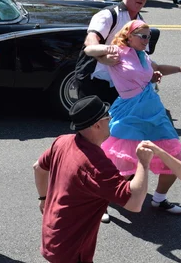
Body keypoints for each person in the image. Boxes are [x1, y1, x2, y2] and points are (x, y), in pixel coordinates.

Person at [85, 20, 181, 215]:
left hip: (154, 111)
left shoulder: (143, 55)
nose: (147, 40)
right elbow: (89, 51)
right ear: (129, 36)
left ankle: (159, 199)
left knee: (174, 160)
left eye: (148, 37)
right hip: (129, 112)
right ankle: (103, 201)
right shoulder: (118, 52)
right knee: (120, 166)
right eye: (143, 36)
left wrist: (179, 68)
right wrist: (110, 47)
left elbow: (157, 67)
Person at [34, 95, 153, 263]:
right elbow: (134, 203)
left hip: (52, 234)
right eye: (108, 117)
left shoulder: (62, 142)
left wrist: (43, 199)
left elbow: (38, 168)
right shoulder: (97, 165)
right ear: (97, 124)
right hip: (72, 249)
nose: (111, 119)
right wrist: (143, 162)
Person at [76, 0, 151, 105]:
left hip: (120, 84)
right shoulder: (109, 15)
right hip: (95, 80)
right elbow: (90, 41)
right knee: (94, 123)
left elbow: (141, 55)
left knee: (118, 123)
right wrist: (103, 58)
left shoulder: (140, 22)